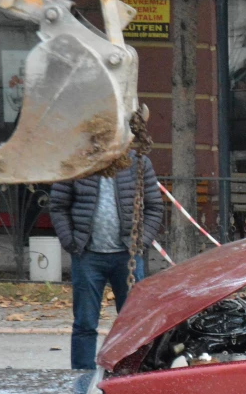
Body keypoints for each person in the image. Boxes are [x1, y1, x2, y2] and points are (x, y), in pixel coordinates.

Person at [49, 152, 164, 370]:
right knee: (85, 323)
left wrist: (141, 242)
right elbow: (58, 206)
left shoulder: (137, 162)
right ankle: (82, 377)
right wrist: (71, 242)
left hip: (127, 255)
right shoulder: (76, 160)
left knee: (133, 324)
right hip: (88, 255)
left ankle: (131, 373)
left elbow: (154, 206)